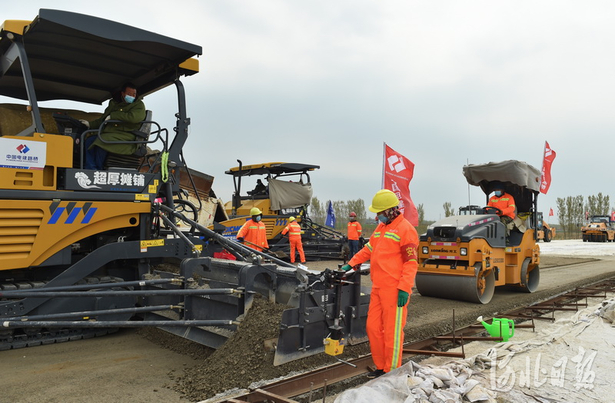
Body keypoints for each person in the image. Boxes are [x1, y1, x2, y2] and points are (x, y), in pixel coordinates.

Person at [341, 189, 419, 379]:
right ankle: (381, 367)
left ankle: (391, 372)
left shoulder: (406, 230)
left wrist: (404, 288)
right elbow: (368, 250)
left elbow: (411, 263)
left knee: (392, 331)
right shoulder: (381, 229)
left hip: (395, 289)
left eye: (380, 213)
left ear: (391, 211)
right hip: (378, 287)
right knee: (373, 328)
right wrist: (350, 264)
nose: (377, 216)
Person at [81, 82, 146, 170]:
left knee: (102, 140)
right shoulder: (114, 103)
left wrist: (114, 116)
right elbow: (103, 119)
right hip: (112, 133)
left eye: (134, 94)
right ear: (122, 93)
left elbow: (134, 118)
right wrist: (90, 124)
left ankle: (97, 169)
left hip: (128, 134)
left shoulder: (138, 105)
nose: (132, 96)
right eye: (129, 94)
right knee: (89, 140)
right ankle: (90, 167)